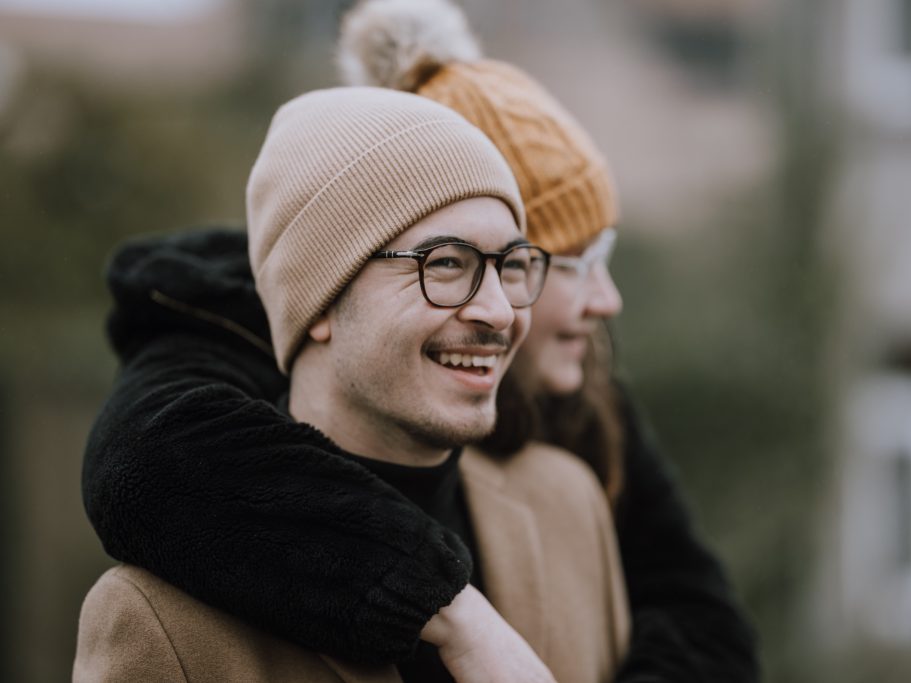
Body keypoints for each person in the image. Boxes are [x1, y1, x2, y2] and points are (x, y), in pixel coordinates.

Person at [80, 0, 759, 680]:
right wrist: (454, 612)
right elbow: (148, 458)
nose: (497, 310)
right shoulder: (160, 621)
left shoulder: (572, 501)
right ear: (321, 296)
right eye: (446, 264)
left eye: (514, 264)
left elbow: (700, 614)